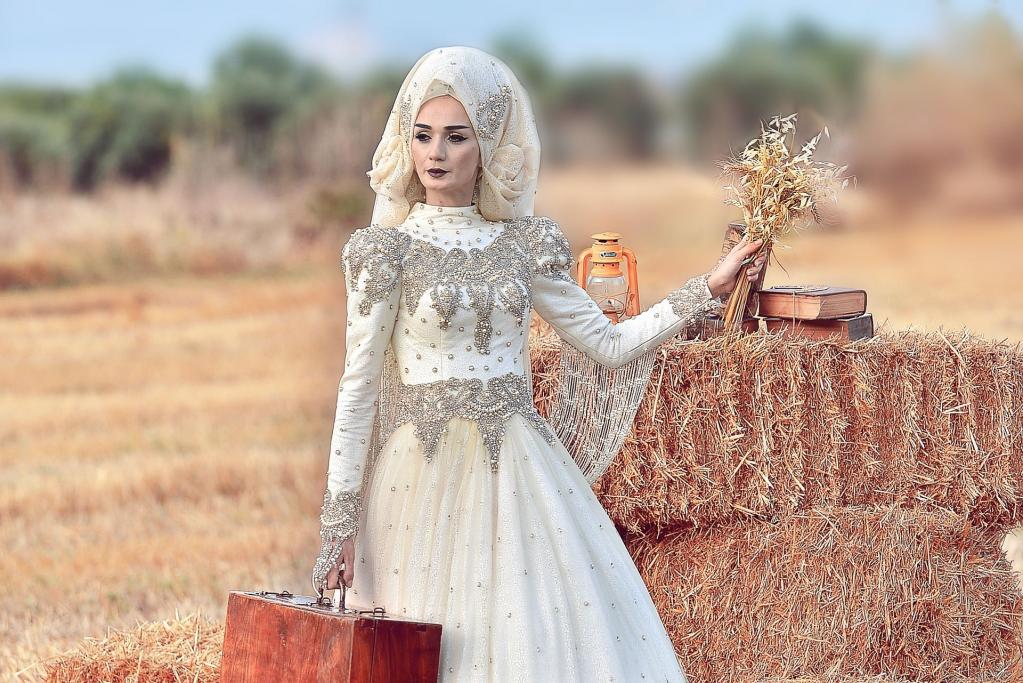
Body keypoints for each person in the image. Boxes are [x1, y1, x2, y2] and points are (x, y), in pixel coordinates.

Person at [310, 46, 766, 682]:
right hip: (417, 483)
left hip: (521, 473)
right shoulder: (386, 254)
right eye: (422, 136)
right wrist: (339, 527)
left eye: (456, 137)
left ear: (490, 146)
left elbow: (606, 344)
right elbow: (357, 391)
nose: (435, 154)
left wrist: (703, 292)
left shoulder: (522, 244)